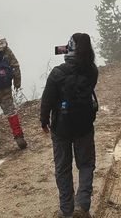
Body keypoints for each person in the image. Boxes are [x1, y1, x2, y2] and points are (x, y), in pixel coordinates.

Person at [40, 33, 99, 218]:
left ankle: (66, 210)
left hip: (61, 128)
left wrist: (44, 120)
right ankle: (82, 205)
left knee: (63, 168)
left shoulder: (57, 73)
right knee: (86, 164)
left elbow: (47, 100)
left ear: (70, 48)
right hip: (84, 126)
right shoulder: (92, 71)